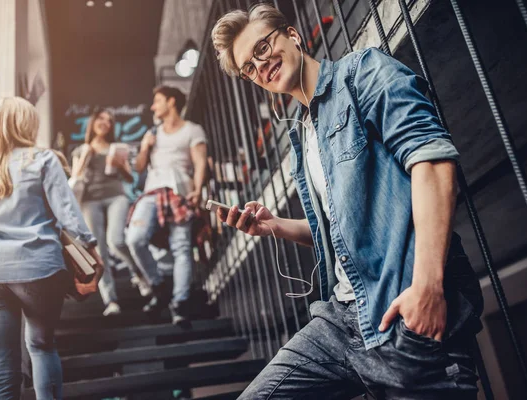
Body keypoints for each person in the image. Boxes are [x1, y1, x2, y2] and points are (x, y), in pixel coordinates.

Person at [211, 4, 484, 399]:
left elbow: (433, 161)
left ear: (292, 36)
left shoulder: (362, 73)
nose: (260, 64)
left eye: (262, 47)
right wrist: (274, 225)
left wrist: (428, 287)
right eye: (248, 68)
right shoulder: (302, 140)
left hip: (403, 317)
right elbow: (339, 230)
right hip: (340, 323)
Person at [0, 97, 103, 399]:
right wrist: (92, 252)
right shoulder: (41, 159)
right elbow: (68, 214)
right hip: (37, 268)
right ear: (26, 124)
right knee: (41, 347)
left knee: (0, 370)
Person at [126, 86, 208, 325]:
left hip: (180, 192)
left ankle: (180, 302)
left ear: (171, 102)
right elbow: (138, 167)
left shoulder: (193, 130)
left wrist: (198, 189)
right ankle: (158, 285)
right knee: (135, 238)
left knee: (182, 248)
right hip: (152, 192)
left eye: (157, 101)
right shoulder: (152, 132)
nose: (153, 107)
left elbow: (200, 162)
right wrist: (145, 147)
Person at [71, 109, 150, 316]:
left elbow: (130, 179)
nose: (105, 122)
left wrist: (119, 166)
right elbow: (74, 178)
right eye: (101, 118)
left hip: (116, 196)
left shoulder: (117, 148)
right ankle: (111, 301)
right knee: (100, 251)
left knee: (116, 241)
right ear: (93, 122)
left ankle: (139, 273)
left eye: (109, 120)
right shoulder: (81, 150)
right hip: (90, 200)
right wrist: (85, 156)